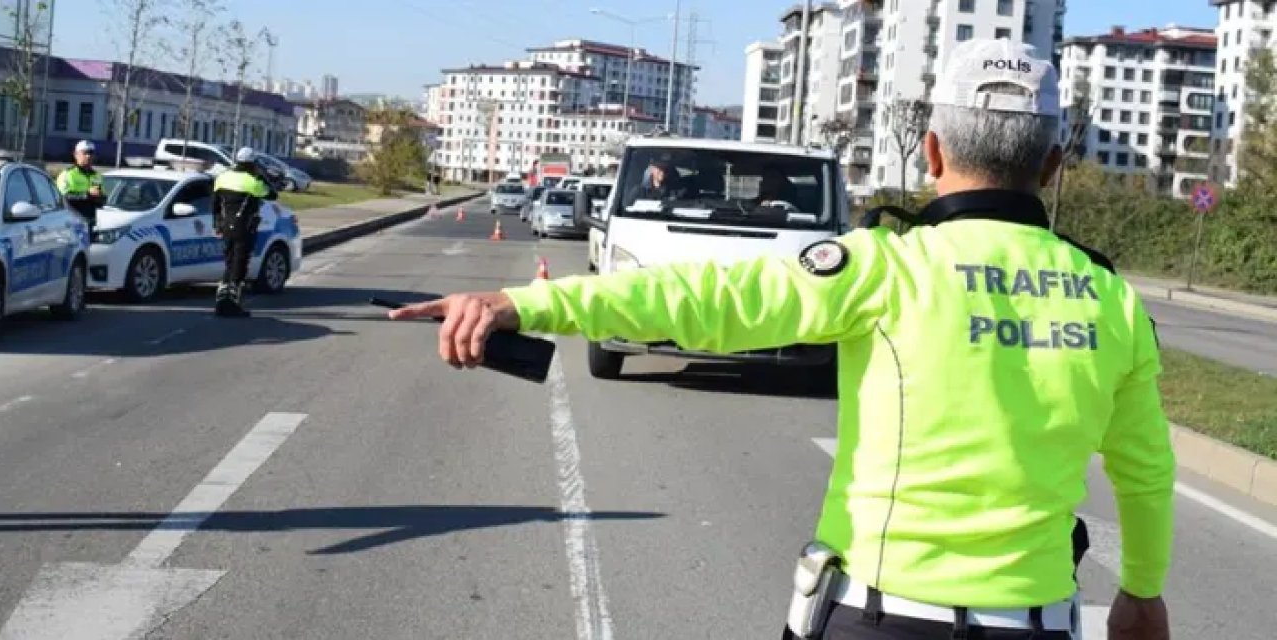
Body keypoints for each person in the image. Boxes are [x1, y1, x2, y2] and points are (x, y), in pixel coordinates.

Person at [387, 38, 1173, 640]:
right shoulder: (1113, 301)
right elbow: (1144, 472)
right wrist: (1140, 592)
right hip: (1035, 623)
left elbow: (705, 297)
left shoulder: (884, 268)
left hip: (882, 618)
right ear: (1054, 162)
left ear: (931, 153)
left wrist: (523, 305)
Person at [211, 146, 277, 318]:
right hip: (245, 227)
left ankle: (221, 301)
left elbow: (215, 205)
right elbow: (272, 194)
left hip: (225, 226)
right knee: (240, 264)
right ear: (251, 163)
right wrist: (262, 176)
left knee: (229, 262)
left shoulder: (222, 178)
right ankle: (233, 303)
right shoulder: (252, 182)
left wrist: (216, 224)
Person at [56, 140, 106, 229]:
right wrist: (87, 195)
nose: (88, 156)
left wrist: (100, 197)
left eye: (91, 153)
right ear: (76, 154)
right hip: (71, 222)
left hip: (90, 222)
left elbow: (103, 199)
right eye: (85, 153)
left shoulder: (97, 175)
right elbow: (63, 197)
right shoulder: (67, 174)